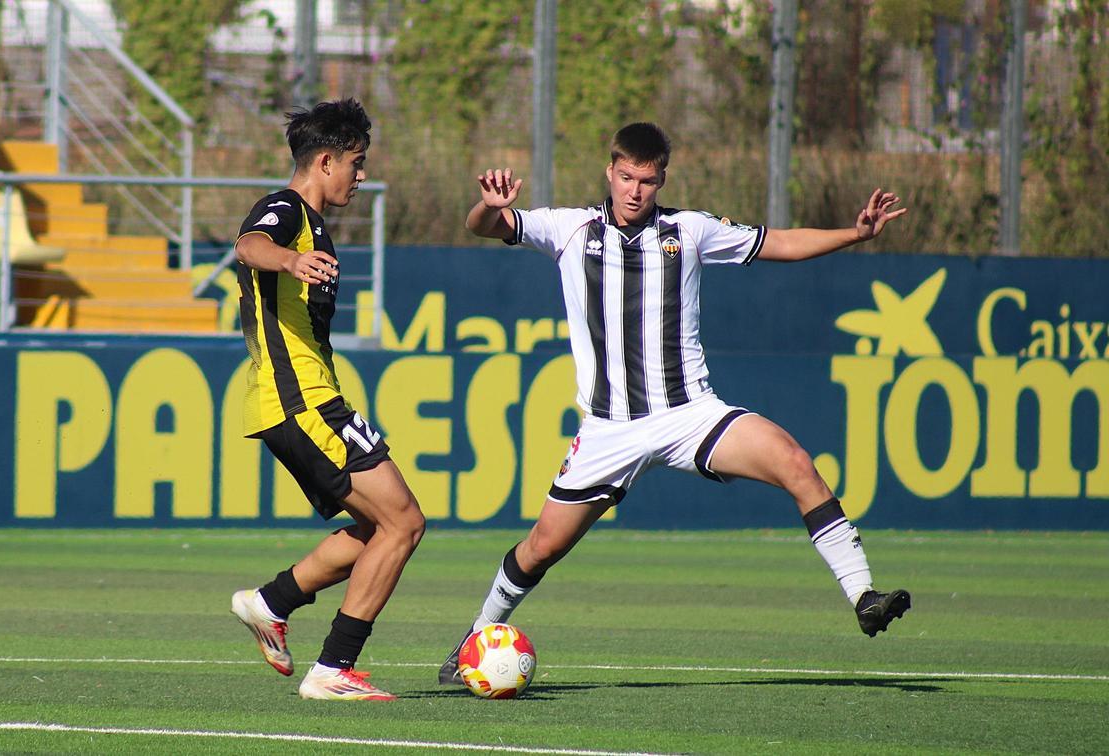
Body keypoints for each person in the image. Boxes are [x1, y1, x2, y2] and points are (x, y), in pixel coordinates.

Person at [438, 122, 911, 684]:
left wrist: (854, 235)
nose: (636, 190)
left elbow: (778, 243)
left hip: (689, 414)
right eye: (627, 177)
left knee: (794, 461)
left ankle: (862, 595)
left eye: (648, 180)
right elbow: (486, 226)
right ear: (609, 172)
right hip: (610, 428)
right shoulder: (569, 229)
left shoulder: (689, 231)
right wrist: (488, 206)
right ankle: (472, 643)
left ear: (662, 179)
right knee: (541, 548)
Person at [230, 98, 425, 702]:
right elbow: (248, 245)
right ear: (325, 161)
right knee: (405, 523)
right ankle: (332, 668)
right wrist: (289, 258)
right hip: (301, 403)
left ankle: (272, 602)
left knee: (377, 528)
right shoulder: (285, 209)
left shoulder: (312, 223)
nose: (361, 176)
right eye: (356, 164)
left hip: (304, 401)